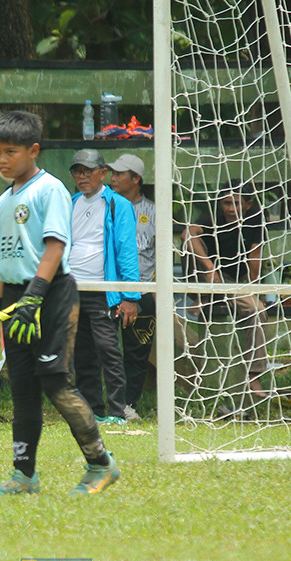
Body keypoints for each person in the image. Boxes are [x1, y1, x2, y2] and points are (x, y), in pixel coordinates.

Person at [0, 110, 120, 495]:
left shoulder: (49, 189)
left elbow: (55, 247)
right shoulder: (4, 199)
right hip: (16, 300)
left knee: (55, 382)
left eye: (11, 151)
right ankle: (24, 476)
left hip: (50, 294)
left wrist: (34, 297)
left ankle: (101, 464)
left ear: (33, 150)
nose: (1, 159)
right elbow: (3, 259)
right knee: (21, 387)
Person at [68, 148, 141, 426]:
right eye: (77, 171)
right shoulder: (71, 202)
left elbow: (127, 251)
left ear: (103, 173)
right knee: (81, 352)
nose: (82, 176)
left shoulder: (117, 204)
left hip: (103, 291)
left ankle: (118, 411)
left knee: (108, 350)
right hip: (74, 289)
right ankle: (93, 411)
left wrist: (130, 296)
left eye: (88, 171)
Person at [185, 178, 270, 399]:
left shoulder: (256, 218)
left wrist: (253, 290)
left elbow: (255, 257)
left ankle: (254, 375)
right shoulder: (214, 216)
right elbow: (187, 234)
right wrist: (209, 267)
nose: (231, 209)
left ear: (248, 204)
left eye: (236, 203)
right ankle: (204, 295)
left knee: (257, 310)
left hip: (236, 280)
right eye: (226, 203)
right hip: (209, 275)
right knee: (190, 245)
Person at [108, 154, 156, 420]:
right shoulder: (105, 206)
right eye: (112, 173)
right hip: (109, 290)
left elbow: (162, 253)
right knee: (104, 348)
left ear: (136, 178)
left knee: (137, 351)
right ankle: (102, 402)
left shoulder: (154, 212)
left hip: (144, 291)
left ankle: (128, 404)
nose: (113, 178)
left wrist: (158, 290)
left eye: (120, 174)